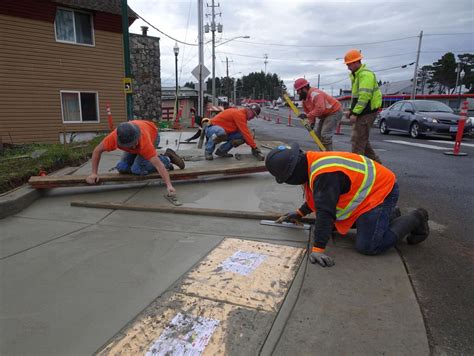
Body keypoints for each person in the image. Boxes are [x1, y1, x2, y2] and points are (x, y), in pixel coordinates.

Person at [265, 143, 429, 267]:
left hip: (381, 191)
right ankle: (387, 216)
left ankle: (416, 217)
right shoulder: (310, 162)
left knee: (369, 246)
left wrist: (318, 250)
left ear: (292, 172)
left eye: (286, 179)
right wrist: (300, 213)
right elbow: (319, 197)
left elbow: (325, 211)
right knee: (332, 227)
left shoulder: (325, 174)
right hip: (369, 191)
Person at [86, 120, 185, 195]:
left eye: (134, 143)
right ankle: (142, 162)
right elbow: (97, 151)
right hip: (140, 132)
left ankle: (168, 158)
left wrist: (169, 185)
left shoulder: (144, 142)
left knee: (137, 169)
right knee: (122, 167)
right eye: (130, 145)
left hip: (153, 134)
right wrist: (94, 173)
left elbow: (159, 166)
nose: (133, 147)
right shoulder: (113, 139)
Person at [344, 49, 383, 163]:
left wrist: (355, 113)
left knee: (358, 142)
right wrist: (352, 111)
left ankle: (357, 170)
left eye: (349, 64)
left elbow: (364, 97)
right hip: (365, 111)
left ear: (356, 62)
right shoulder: (357, 75)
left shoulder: (365, 75)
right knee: (362, 142)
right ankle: (379, 167)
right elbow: (356, 98)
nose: (348, 67)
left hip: (367, 112)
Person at [293, 78, 343, 151]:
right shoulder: (305, 101)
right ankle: (323, 154)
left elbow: (320, 109)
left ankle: (329, 156)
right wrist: (311, 123)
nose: (298, 93)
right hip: (325, 115)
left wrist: (307, 116)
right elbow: (311, 113)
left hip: (334, 111)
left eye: (298, 90)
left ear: (304, 88)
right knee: (317, 135)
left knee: (325, 135)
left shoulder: (315, 94)